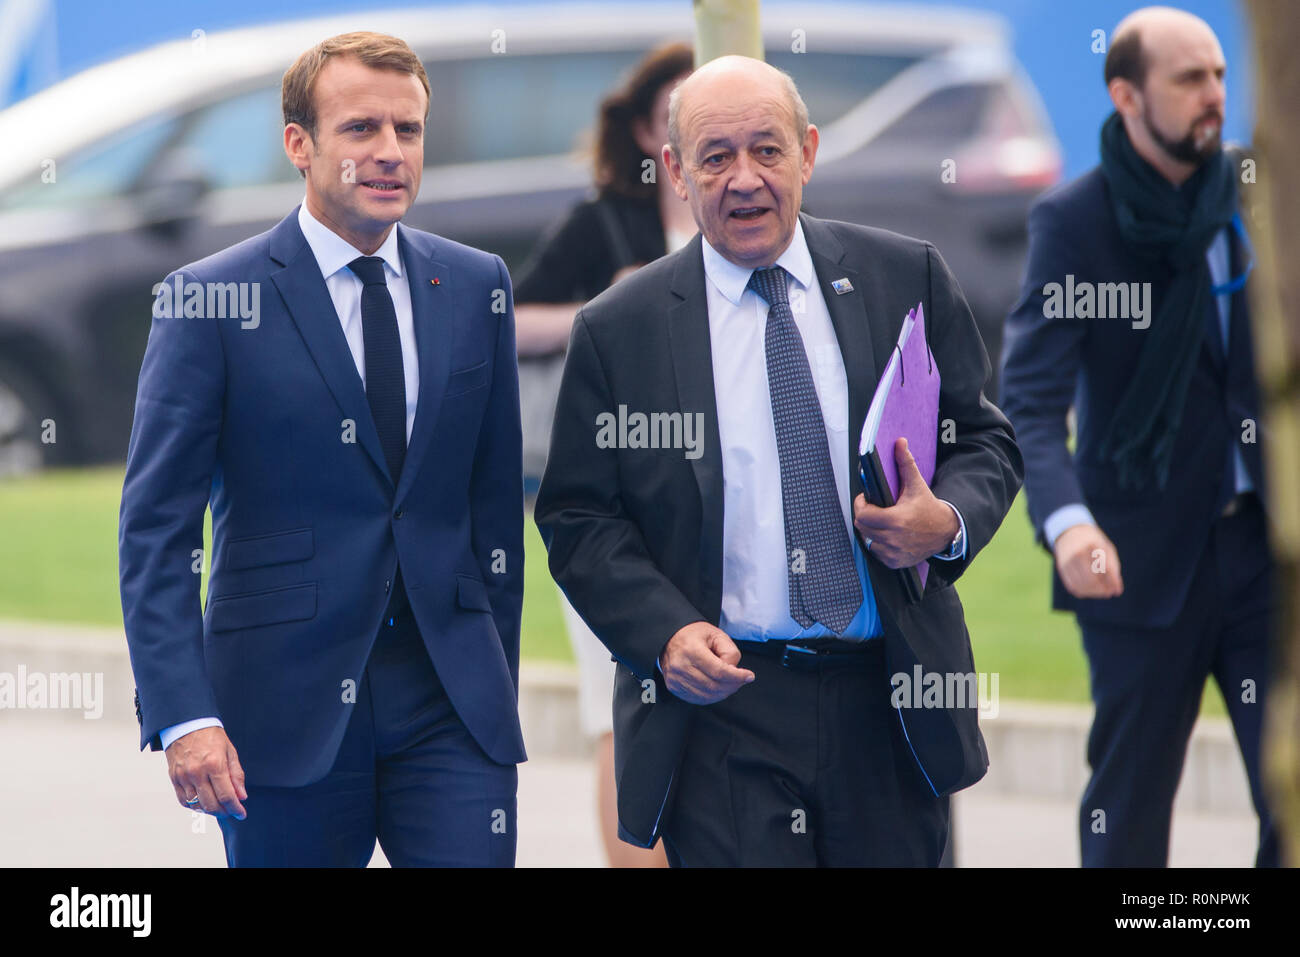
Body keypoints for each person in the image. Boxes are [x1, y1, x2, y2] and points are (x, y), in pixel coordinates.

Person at [534, 54, 1022, 866]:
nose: (745, 178)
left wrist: (946, 521)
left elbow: (983, 438)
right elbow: (580, 518)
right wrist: (666, 631)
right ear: (677, 173)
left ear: (808, 153)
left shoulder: (904, 276)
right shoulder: (621, 329)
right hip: (727, 713)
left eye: (767, 149)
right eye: (716, 156)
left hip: (889, 696)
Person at [118, 32, 525, 867]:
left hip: (449, 705)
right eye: (361, 130)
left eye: (407, 131)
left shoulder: (477, 283)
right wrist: (185, 716)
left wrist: (494, 678)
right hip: (278, 712)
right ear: (298, 145)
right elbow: (155, 530)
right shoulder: (209, 300)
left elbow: (492, 507)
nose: (389, 153)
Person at [1000, 7, 1276, 866]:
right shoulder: (1074, 223)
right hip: (1134, 561)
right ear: (1126, 94)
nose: (1215, 96)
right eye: (1190, 79)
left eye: (1221, 75)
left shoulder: (1259, 191)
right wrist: (1069, 523)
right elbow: (1032, 404)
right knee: (1127, 815)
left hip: (1268, 549)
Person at [514, 41, 693, 868]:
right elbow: (509, 321)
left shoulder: (770, 225)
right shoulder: (603, 220)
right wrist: (607, 305)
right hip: (610, 492)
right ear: (647, 129)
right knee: (618, 698)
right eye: (677, 120)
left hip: (716, 498)